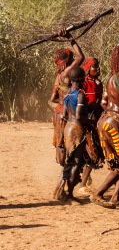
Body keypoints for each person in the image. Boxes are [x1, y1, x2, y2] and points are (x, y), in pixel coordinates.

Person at [90, 45, 119, 208]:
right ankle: (99, 193)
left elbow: (103, 102)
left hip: (105, 120)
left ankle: (116, 196)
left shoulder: (111, 77)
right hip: (115, 123)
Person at [53, 66, 94, 203]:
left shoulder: (67, 94)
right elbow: (78, 116)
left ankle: (60, 190)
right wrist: (90, 121)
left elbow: (64, 115)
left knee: (68, 161)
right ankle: (68, 193)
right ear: (82, 79)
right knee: (76, 163)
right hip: (77, 128)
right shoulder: (80, 94)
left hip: (68, 128)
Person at [49, 29, 84, 169]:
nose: (72, 61)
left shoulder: (58, 76)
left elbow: (52, 98)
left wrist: (62, 102)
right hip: (67, 113)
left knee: (60, 141)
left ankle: (65, 167)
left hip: (58, 113)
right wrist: (69, 37)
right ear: (67, 61)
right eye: (70, 60)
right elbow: (80, 56)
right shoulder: (67, 73)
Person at [78, 57, 104, 195]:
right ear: (88, 69)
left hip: (97, 119)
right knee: (90, 152)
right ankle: (82, 184)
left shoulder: (99, 83)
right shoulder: (85, 84)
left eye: (98, 66)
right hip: (86, 120)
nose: (98, 69)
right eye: (94, 67)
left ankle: (85, 180)